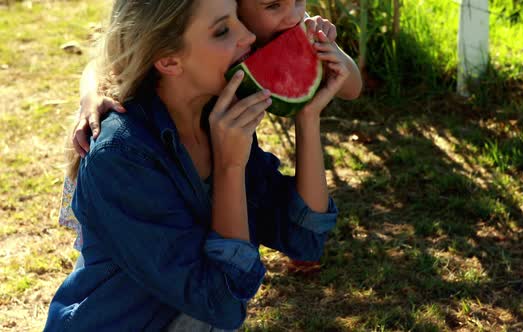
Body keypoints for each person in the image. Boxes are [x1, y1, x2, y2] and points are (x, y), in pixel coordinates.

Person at [45, 0, 348, 330]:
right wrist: (230, 167)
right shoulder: (121, 156)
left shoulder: (216, 119)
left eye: (238, 19)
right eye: (222, 31)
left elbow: (305, 237)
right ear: (169, 60)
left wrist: (307, 117)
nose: (248, 36)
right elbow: (221, 302)